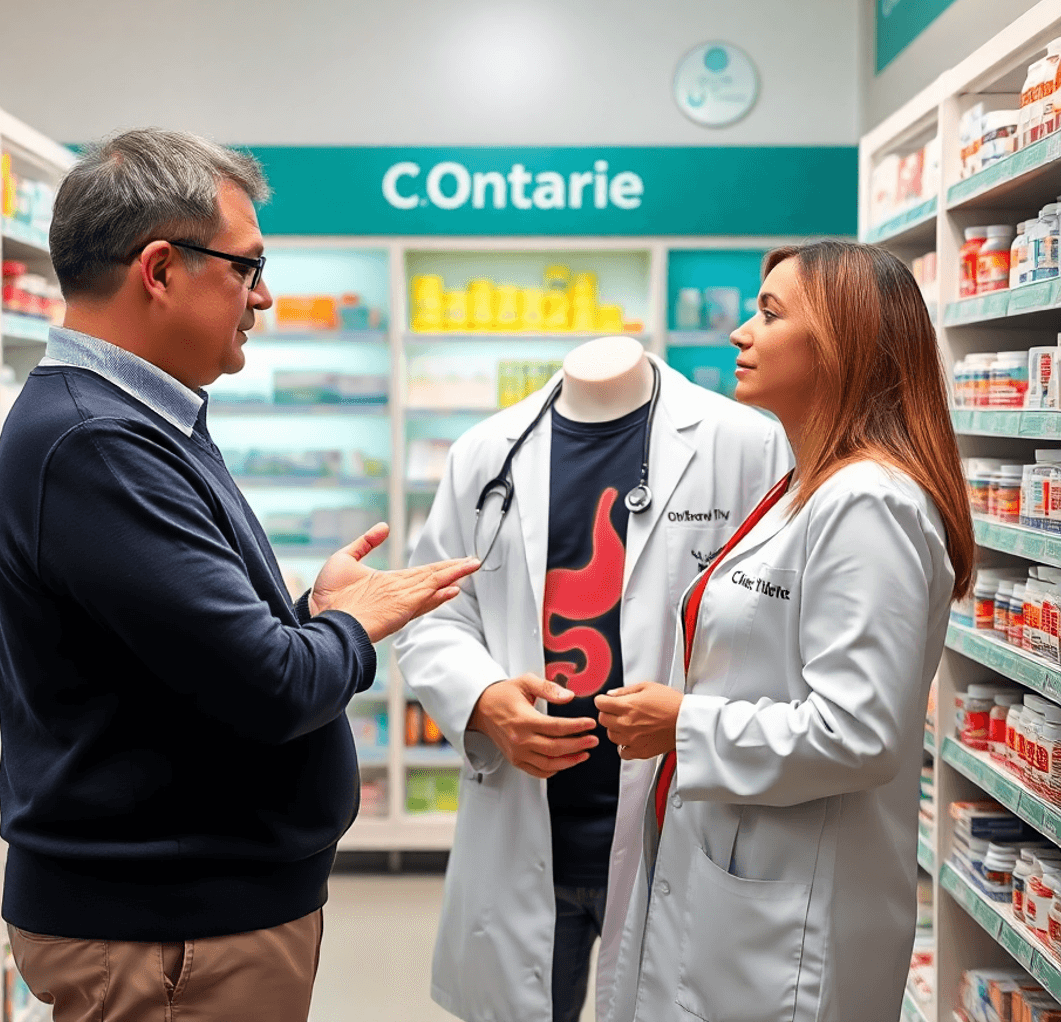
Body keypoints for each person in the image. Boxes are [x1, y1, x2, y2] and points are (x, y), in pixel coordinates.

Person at [0, 129, 477, 1022]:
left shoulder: (136, 421)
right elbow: (274, 685)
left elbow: (185, 655)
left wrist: (312, 611)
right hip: (169, 933)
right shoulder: (98, 442)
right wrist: (352, 626)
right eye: (248, 268)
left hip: (188, 917)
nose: (265, 296)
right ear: (161, 269)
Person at [594, 240, 973, 1022]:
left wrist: (683, 724)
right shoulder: (807, 486)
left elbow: (861, 733)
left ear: (842, 346)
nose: (741, 332)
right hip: (741, 875)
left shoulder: (871, 503)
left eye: (769, 314)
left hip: (794, 922)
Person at [394, 336, 790, 1022]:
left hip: (680, 827)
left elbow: (777, 629)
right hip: (531, 825)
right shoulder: (487, 452)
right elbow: (433, 614)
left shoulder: (747, 446)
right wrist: (484, 700)